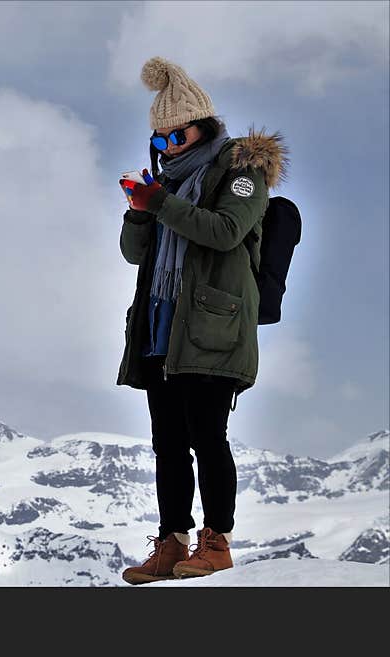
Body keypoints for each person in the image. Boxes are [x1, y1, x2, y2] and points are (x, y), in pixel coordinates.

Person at [116, 56, 289, 584]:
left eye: (178, 133)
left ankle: (217, 541)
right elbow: (131, 253)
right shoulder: (167, 184)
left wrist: (161, 203)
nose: (170, 146)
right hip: (161, 328)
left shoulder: (242, 173)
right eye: (161, 139)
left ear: (205, 126)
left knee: (207, 435)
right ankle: (172, 542)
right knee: (166, 441)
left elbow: (223, 232)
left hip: (213, 328)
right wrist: (139, 211)